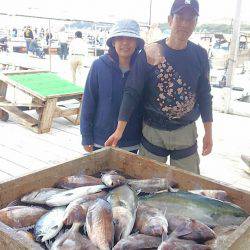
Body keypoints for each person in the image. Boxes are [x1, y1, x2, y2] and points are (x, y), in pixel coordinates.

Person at [105, 0, 213, 174]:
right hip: (152, 131)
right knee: (148, 182)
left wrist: (209, 132)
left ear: (195, 23)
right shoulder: (149, 51)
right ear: (170, 20)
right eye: (180, 18)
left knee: (188, 183)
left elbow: (205, 95)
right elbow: (132, 91)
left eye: (190, 19)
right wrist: (119, 131)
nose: (184, 24)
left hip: (185, 131)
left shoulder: (200, 55)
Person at [80, 19, 144, 154]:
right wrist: (86, 136)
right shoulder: (98, 66)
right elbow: (88, 102)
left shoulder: (142, 68)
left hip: (131, 141)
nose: (125, 43)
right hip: (101, 140)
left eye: (130, 38)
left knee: (128, 175)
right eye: (120, 38)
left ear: (137, 43)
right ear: (113, 42)